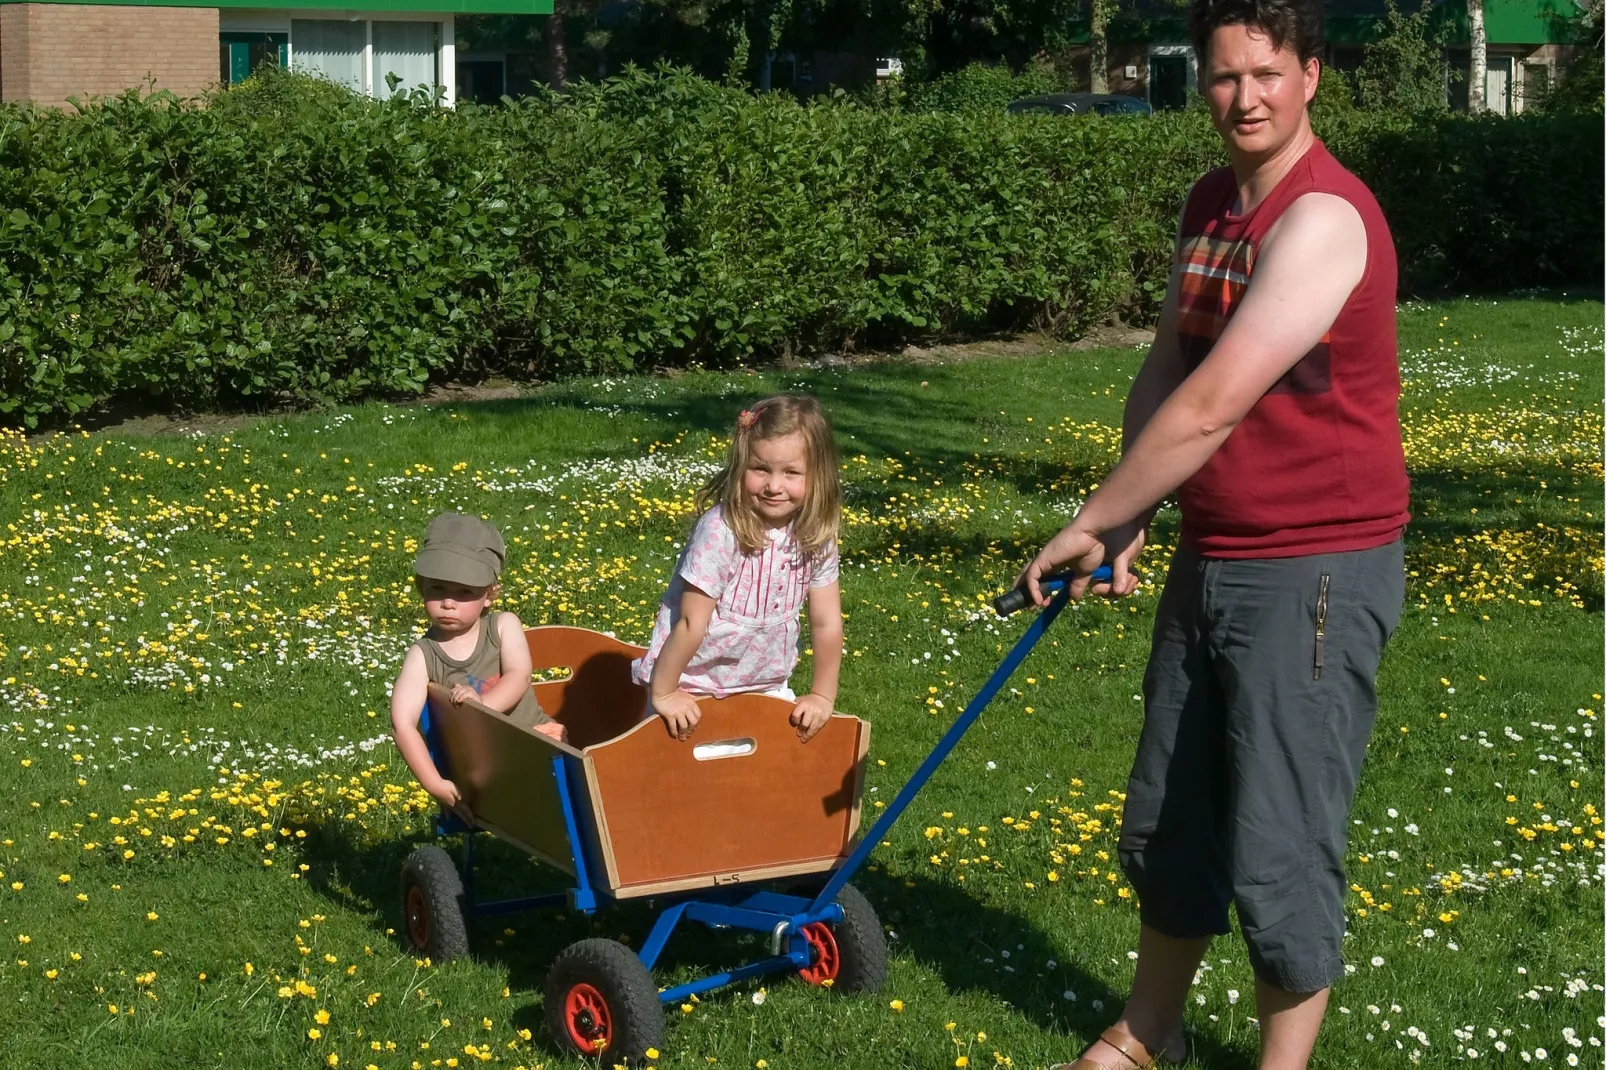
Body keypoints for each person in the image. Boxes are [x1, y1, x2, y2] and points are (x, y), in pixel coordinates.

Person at [1019, 0, 1410, 1066]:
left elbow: (1213, 407)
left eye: (1265, 74)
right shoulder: (1212, 202)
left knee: (1280, 838)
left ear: (1311, 77)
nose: (1242, 98)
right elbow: (1169, 368)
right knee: (1172, 812)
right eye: (1224, 77)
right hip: (1216, 549)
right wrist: (1133, 513)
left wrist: (1087, 520)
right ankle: (1149, 1031)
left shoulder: (1322, 219)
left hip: (1314, 565)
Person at [633, 395, 845, 744]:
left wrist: (822, 695)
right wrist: (666, 692)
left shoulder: (816, 535)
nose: (774, 485)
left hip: (767, 686)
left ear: (817, 475)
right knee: (678, 784)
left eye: (791, 473)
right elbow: (690, 622)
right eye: (761, 469)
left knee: (756, 784)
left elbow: (826, 621)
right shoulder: (721, 530)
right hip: (692, 685)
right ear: (741, 465)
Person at [391, 513, 565, 817]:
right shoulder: (423, 654)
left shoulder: (503, 627)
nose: (448, 602)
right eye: (437, 589)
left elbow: (519, 675)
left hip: (535, 739)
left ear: (490, 594)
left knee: (576, 768)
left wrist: (481, 705)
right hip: (482, 768)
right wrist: (435, 784)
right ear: (421, 587)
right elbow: (402, 723)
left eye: (464, 592)